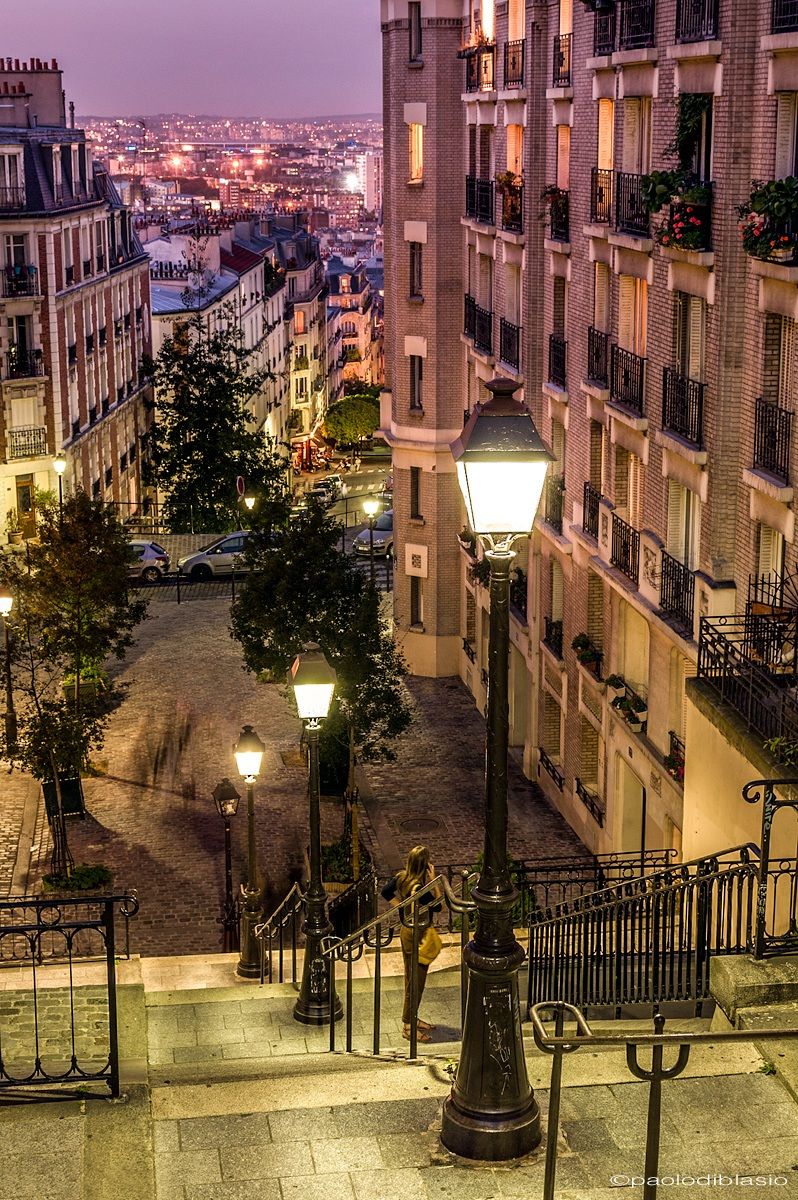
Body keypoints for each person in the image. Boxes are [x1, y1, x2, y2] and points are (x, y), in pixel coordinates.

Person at [381, 845, 441, 1042]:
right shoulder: (420, 889)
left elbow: (385, 892)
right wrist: (434, 881)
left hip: (409, 932)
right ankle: (408, 1026)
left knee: (414, 980)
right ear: (424, 865)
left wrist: (400, 905)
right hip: (416, 936)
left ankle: (412, 1019)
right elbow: (439, 905)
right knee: (415, 982)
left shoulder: (402, 877)